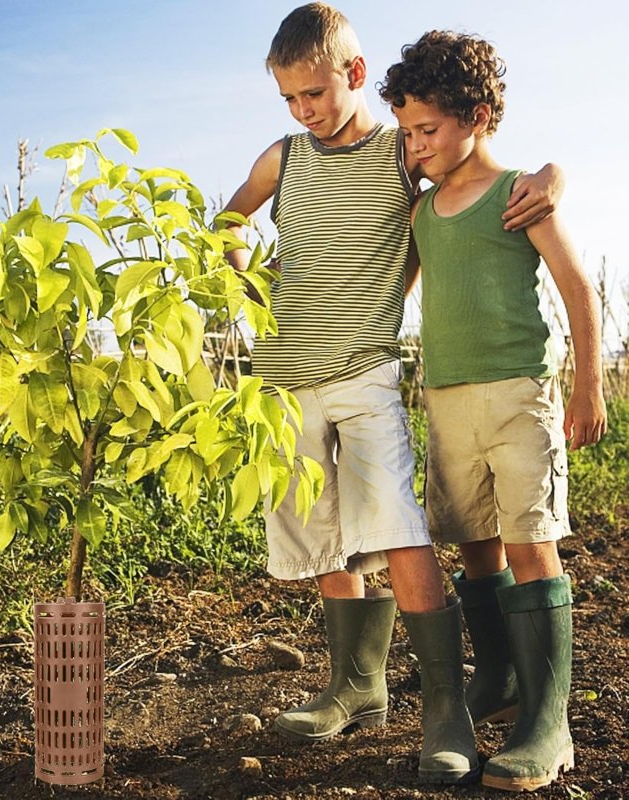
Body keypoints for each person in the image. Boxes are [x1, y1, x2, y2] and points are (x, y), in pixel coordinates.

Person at [222, 3, 563, 785]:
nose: (304, 110)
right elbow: (228, 218)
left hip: (365, 368)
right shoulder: (284, 158)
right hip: (282, 374)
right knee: (322, 530)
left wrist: (552, 175)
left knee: (399, 526)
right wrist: (237, 249)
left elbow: (474, 158)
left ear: (355, 74)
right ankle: (355, 688)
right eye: (290, 100)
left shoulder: (399, 152)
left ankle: (445, 706)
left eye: (314, 93)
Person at [378, 30, 608, 792]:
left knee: (530, 543)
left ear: (476, 114)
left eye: (428, 131)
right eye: (407, 133)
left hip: (519, 395)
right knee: (475, 544)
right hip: (446, 400)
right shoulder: (420, 216)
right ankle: (504, 678)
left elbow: (577, 288)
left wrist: (587, 388)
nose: (416, 147)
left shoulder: (521, 194)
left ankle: (550, 721)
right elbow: (389, 296)